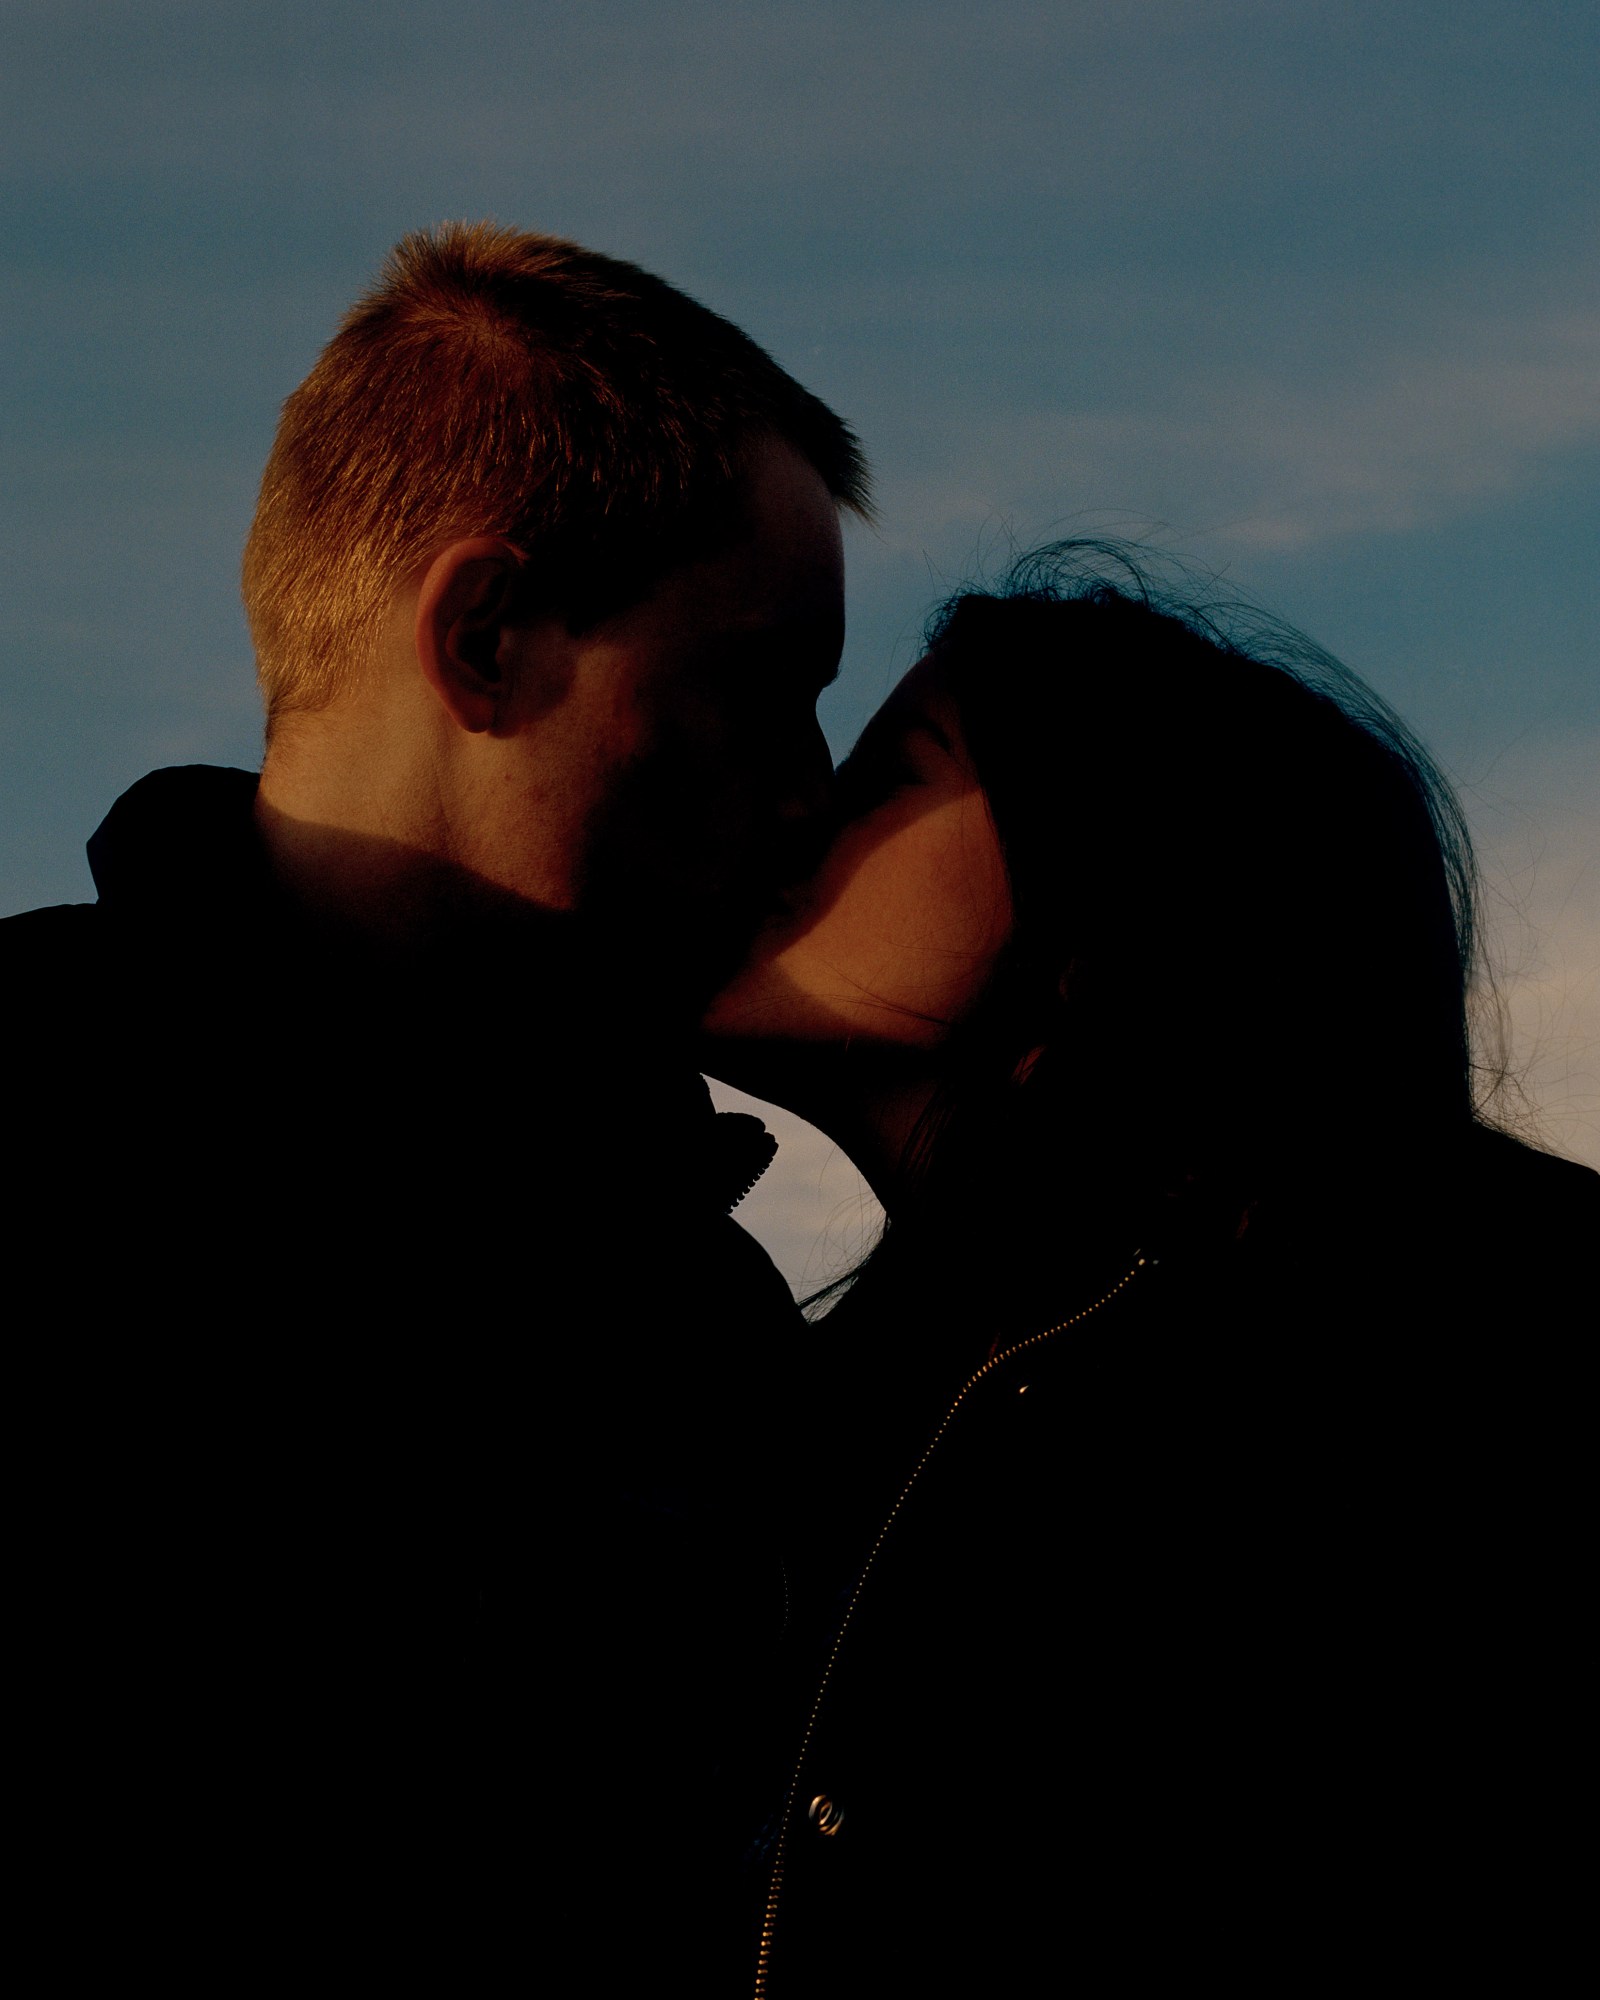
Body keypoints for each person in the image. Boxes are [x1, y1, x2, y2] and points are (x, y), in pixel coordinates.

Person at [4, 223, 869, 1986]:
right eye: (763, 691)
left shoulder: (707, 1312)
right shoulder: (10, 1134)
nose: (814, 797)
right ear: (485, 637)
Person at [702, 547, 1597, 1994]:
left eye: (886, 776)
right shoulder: (820, 1411)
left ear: (1119, 878)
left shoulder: (1491, 1326)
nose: (795, 809)